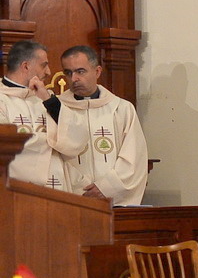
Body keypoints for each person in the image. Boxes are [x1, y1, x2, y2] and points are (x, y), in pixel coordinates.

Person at [47, 46, 149, 205]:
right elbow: (53, 156)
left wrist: (107, 188)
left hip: (113, 200)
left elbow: (134, 156)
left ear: (97, 71)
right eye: (68, 73)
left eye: (80, 71)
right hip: (71, 198)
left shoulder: (121, 108)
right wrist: (80, 188)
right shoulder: (56, 109)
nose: (74, 78)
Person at [0, 40, 67, 189]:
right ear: (26, 66)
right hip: (13, 190)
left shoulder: (46, 97)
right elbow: (6, 143)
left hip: (56, 188)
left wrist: (49, 101)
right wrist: (55, 141)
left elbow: (76, 137)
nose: (49, 71)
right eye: (44, 65)